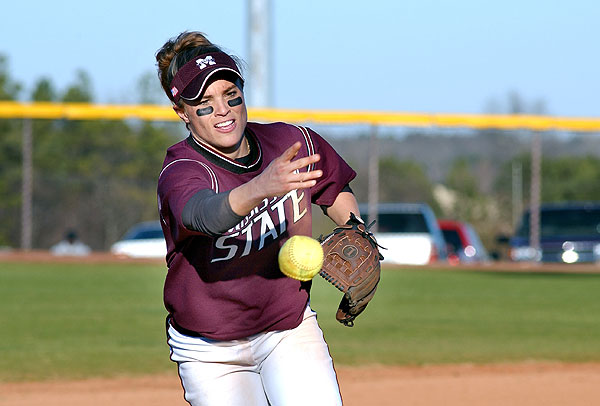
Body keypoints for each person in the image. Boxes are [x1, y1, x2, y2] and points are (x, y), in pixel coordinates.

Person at [155, 31, 361, 406]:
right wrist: (262, 186)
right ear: (182, 112)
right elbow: (203, 215)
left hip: (287, 328)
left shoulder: (289, 143)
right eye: (204, 101)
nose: (222, 109)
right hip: (210, 348)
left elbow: (334, 187)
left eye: (229, 94)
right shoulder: (182, 170)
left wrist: (355, 230)